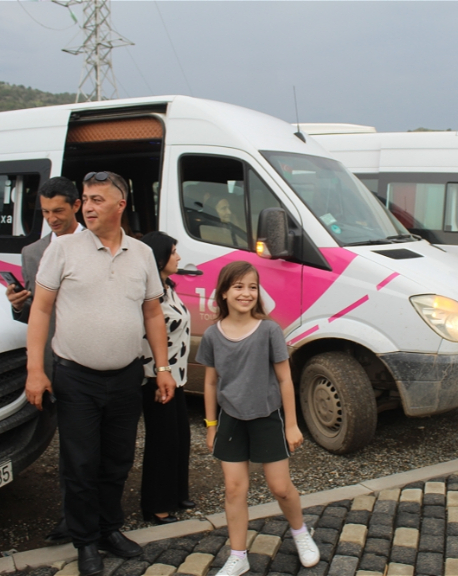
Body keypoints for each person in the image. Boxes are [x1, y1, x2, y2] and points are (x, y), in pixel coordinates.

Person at [25, 170, 177, 576]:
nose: (88, 207)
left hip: (126, 377)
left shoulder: (141, 253)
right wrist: (35, 370)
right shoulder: (62, 250)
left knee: (117, 460)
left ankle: (109, 529)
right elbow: (40, 309)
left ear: (120, 205)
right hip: (76, 378)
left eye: (97, 200)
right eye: (86, 199)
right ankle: (85, 541)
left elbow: (152, 313)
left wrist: (162, 368)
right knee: (80, 464)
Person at [197, 261, 320, 576]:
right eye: (238, 286)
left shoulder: (269, 330)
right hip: (230, 421)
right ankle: (238, 556)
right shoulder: (212, 335)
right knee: (234, 489)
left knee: (280, 487)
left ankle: (300, 532)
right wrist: (211, 426)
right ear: (224, 292)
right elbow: (210, 383)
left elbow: (285, 379)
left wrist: (291, 424)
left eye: (252, 287)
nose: (246, 293)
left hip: (267, 418)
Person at [6, 176, 82, 545]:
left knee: (102, 448)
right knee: (71, 450)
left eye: (58, 211)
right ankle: (73, 520)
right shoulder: (33, 253)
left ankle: (101, 517)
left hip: (97, 361)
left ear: (76, 206)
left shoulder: (99, 242)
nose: (51, 218)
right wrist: (17, 305)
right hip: (56, 365)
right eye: (46, 212)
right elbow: (36, 316)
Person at [139, 232, 194, 525]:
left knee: (181, 438)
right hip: (156, 378)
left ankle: (177, 493)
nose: (179, 257)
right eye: (173, 252)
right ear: (159, 258)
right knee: (162, 442)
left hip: (178, 377)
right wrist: (160, 372)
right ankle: (156, 505)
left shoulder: (168, 287)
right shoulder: (148, 294)